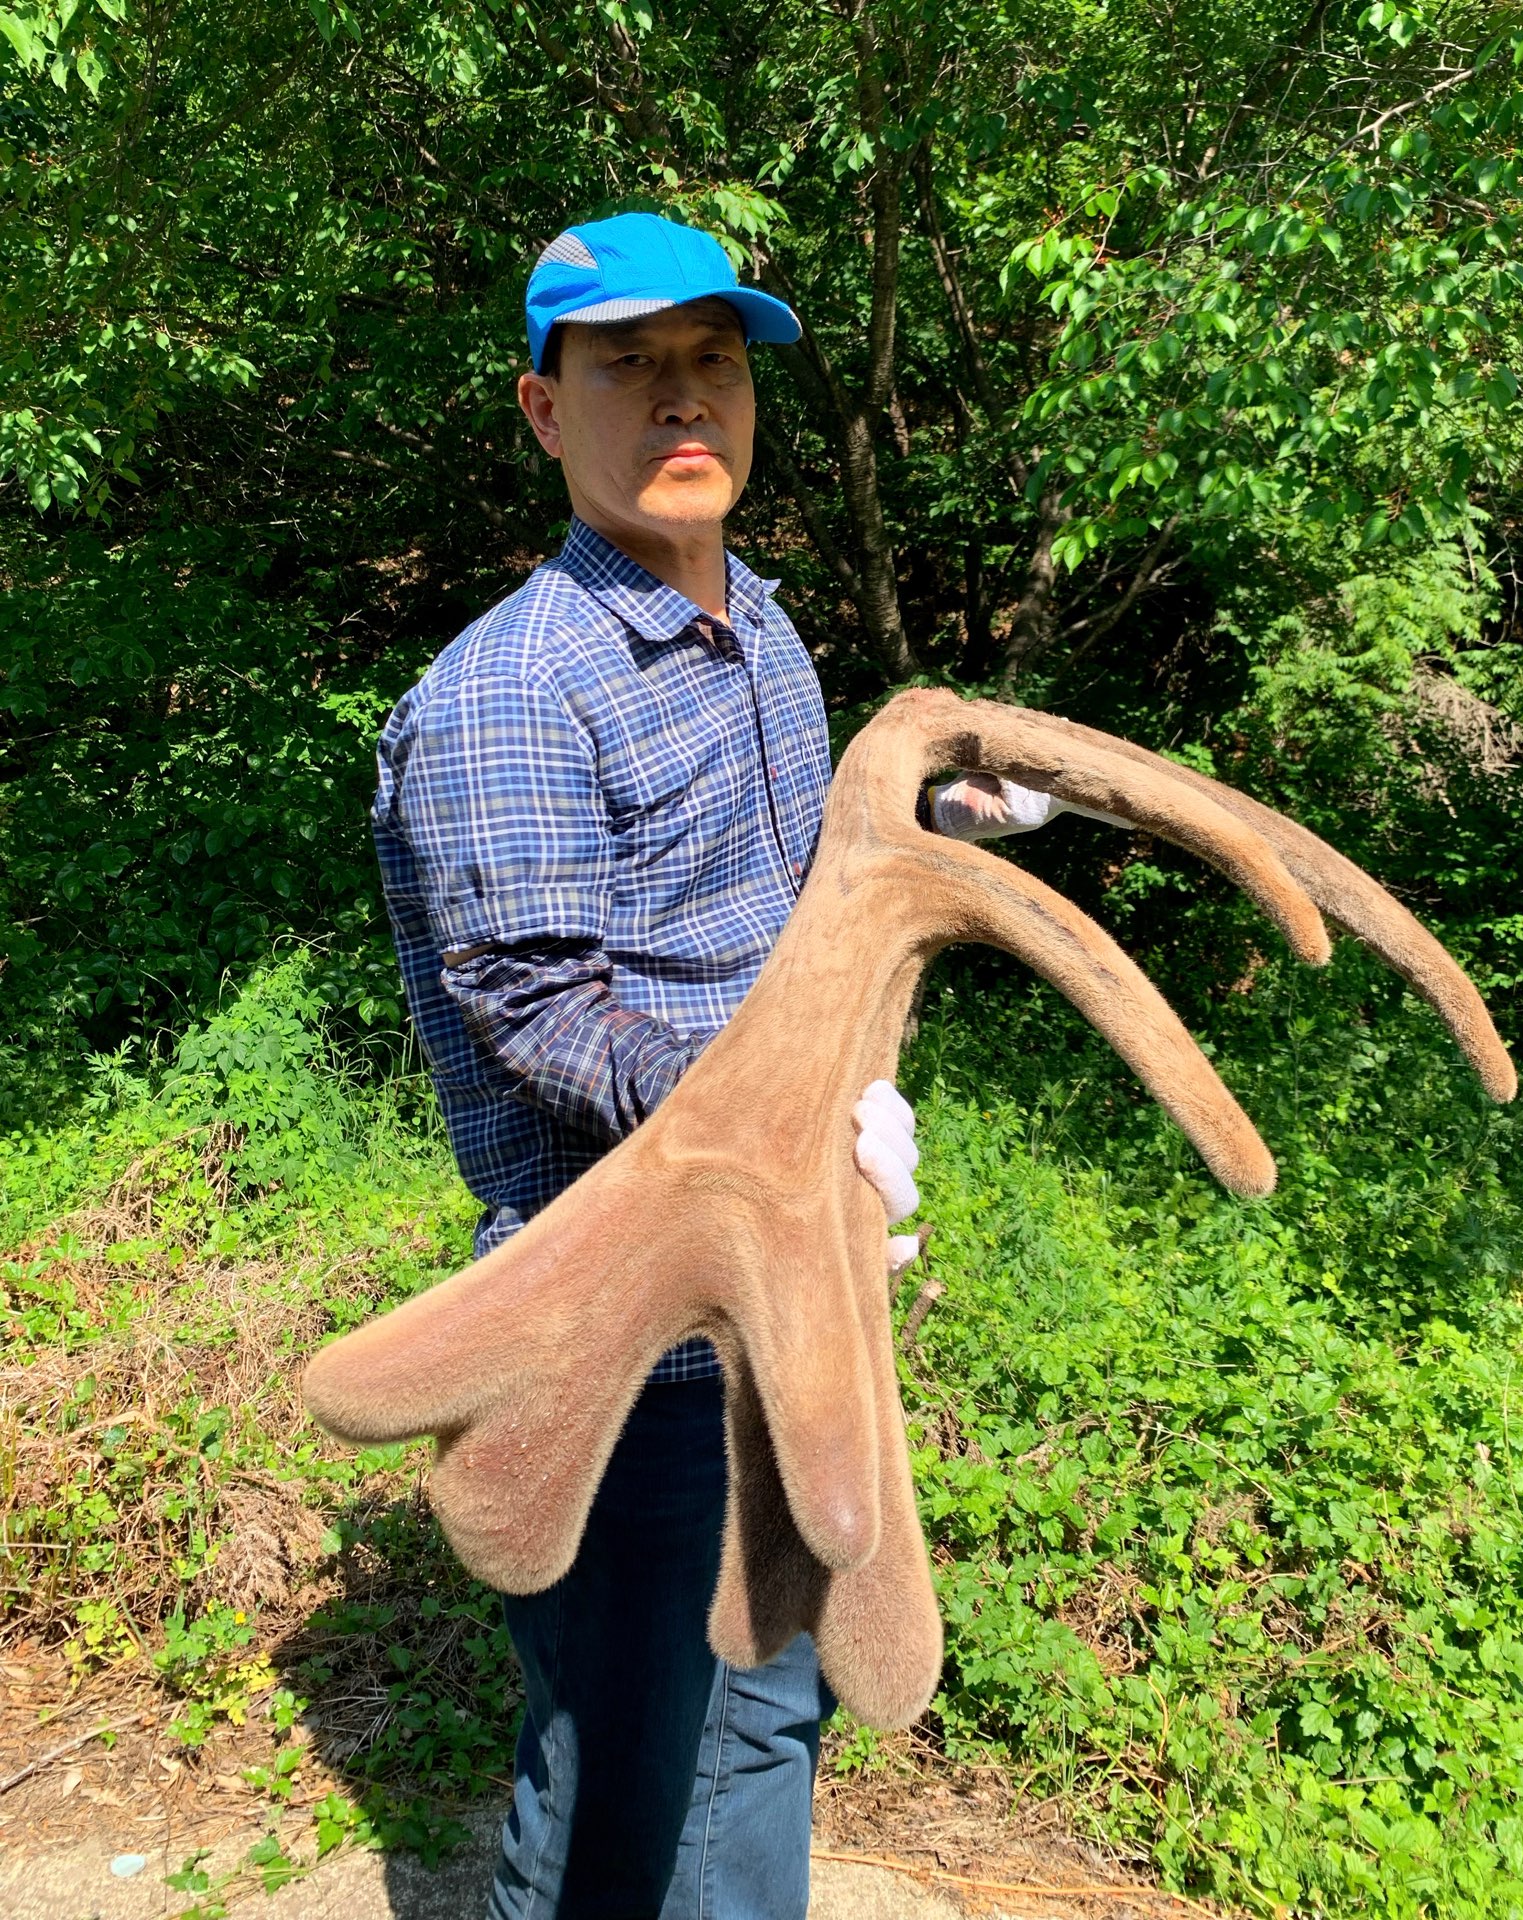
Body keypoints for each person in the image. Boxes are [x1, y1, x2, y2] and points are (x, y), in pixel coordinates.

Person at [371, 210, 1057, 1918]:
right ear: (546, 410)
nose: (684, 399)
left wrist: (924, 820)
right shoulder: (513, 690)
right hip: (631, 1345)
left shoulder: (755, 622)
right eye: (630, 367)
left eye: (712, 362)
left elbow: (762, 894)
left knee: (763, 1721)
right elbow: (542, 1014)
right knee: (624, 1790)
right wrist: (797, 1124)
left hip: (789, 1305)